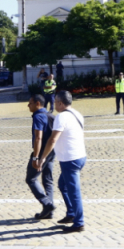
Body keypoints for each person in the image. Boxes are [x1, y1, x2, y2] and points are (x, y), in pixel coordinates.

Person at [37, 91, 86, 233]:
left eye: (55, 101)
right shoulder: (77, 114)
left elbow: (53, 139)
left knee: (73, 192)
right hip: (80, 156)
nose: (54, 104)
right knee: (62, 184)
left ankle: (79, 222)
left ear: (60, 103)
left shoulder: (61, 117)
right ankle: (71, 213)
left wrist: (43, 157)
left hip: (70, 159)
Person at [26, 94, 56, 219]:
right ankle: (49, 211)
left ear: (37, 103)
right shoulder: (51, 116)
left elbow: (38, 138)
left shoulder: (38, 117)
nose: (28, 105)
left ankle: (47, 203)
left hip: (42, 152)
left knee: (31, 179)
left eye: (30, 103)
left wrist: (36, 157)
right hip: (52, 151)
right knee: (48, 180)